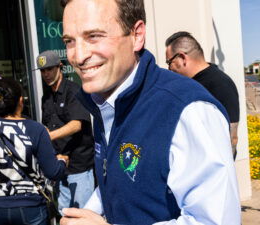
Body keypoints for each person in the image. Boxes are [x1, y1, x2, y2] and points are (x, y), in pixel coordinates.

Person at [59, 0, 241, 224]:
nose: (78, 56)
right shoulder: (101, 102)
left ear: (137, 35)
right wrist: (87, 213)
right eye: (69, 41)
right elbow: (117, 181)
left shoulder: (188, 110)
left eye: (94, 36)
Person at [0, 78, 68, 225]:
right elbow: (53, 172)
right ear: (20, 100)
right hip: (31, 206)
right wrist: (62, 161)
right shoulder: (35, 129)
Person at [165, 31, 240, 158]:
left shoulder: (221, 84)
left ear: (182, 58)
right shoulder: (188, 84)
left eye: (169, 62)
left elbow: (232, 138)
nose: (169, 68)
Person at [37, 50, 95, 213]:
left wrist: (49, 136)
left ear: (60, 66)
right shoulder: (46, 97)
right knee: (64, 212)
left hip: (79, 164)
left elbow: (77, 125)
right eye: (43, 71)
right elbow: (46, 126)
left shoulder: (74, 90)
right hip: (59, 163)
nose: (46, 74)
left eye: (50, 69)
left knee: (83, 213)